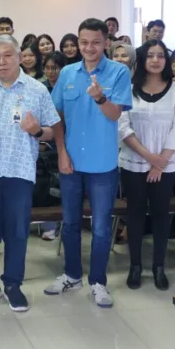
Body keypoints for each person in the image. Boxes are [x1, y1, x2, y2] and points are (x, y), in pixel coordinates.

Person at [46, 19, 132, 307]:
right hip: (70, 161)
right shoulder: (68, 72)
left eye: (95, 41)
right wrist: (61, 151)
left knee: (100, 228)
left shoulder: (119, 72)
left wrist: (100, 97)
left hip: (102, 163)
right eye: (84, 42)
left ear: (106, 42)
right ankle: (71, 275)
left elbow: (114, 115)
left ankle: (98, 281)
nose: (89, 47)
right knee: (69, 222)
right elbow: (56, 117)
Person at [0, 35, 59, 312]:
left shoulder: (36, 90)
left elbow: (52, 130)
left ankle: (13, 284)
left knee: (17, 233)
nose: (1, 61)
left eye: (7, 55)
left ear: (20, 57)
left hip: (18, 172)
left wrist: (36, 130)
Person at [118, 40, 175, 291]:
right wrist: (150, 157)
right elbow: (122, 126)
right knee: (135, 216)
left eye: (160, 55)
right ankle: (135, 266)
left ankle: (159, 266)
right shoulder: (128, 88)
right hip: (133, 162)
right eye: (150, 55)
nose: (156, 60)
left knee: (161, 217)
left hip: (165, 165)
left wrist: (160, 162)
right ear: (142, 60)